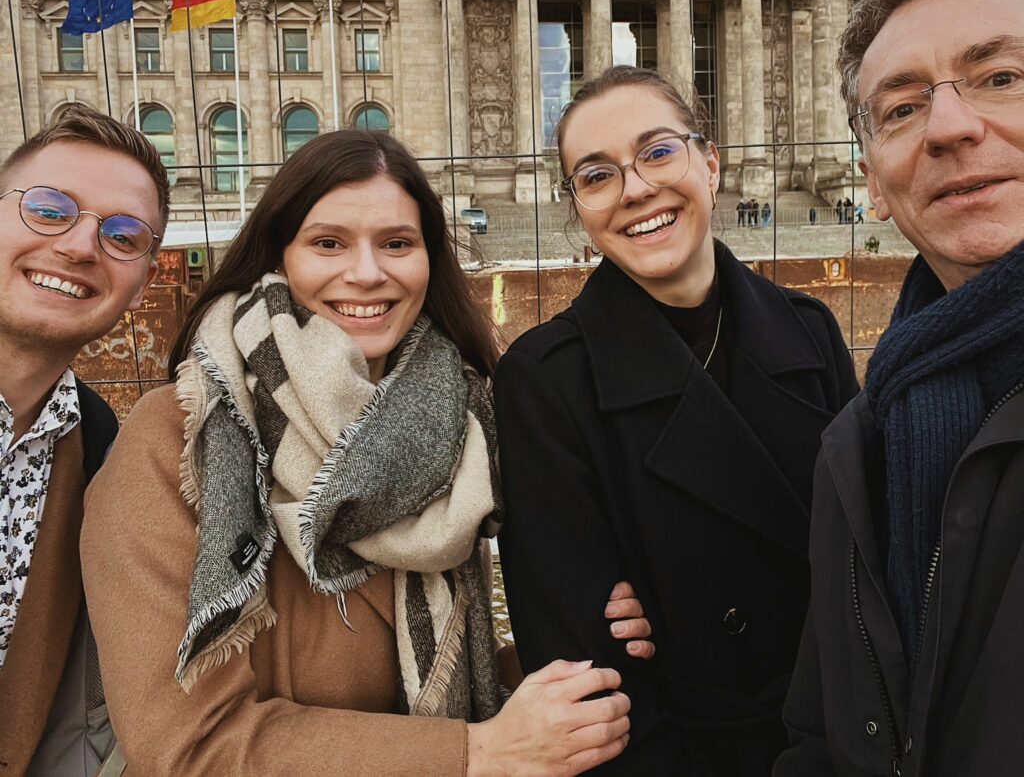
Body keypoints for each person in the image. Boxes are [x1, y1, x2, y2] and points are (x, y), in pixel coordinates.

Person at [81, 128, 647, 777]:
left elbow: (443, 666)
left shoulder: (458, 425)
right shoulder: (178, 436)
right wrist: (476, 752)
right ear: (279, 256)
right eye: (329, 243)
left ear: (428, 261)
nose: (368, 272)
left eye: (397, 244)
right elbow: (189, 744)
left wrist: (599, 635)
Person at [495, 66, 858, 775]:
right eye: (596, 176)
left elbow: (862, 573)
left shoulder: (810, 334)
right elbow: (586, 679)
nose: (635, 189)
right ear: (577, 207)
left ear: (710, 162)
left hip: (841, 742)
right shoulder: (545, 380)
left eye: (658, 151)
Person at [775, 0, 1024, 776]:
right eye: (903, 106)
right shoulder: (861, 438)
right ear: (873, 179)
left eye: (1001, 77)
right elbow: (820, 729)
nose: (952, 126)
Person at [0, 106, 169, 777]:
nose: (78, 245)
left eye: (123, 235)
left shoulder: (102, 448)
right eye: (48, 208)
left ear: (143, 282)